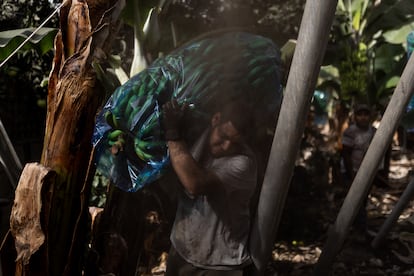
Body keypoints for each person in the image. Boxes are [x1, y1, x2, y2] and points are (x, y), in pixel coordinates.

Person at [161, 98, 258, 276]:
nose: (226, 146)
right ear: (216, 119)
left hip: (219, 264)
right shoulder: (197, 133)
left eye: (235, 143)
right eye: (224, 137)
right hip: (182, 250)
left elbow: (194, 184)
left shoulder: (243, 164)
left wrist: (172, 133)